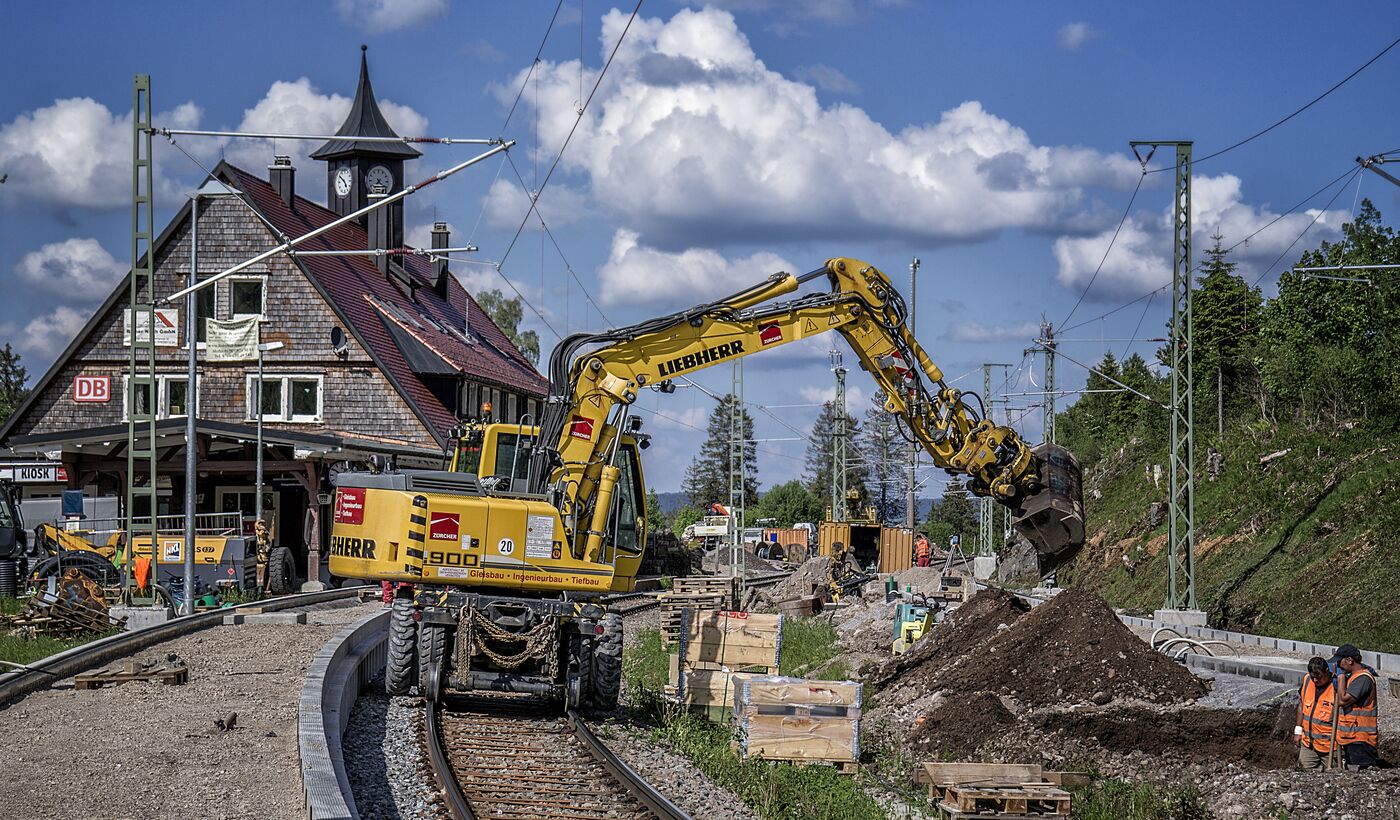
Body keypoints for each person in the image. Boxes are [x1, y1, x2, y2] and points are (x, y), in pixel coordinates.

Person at [1332, 644, 1380, 770]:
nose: (1338, 665)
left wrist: (1341, 677)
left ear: (1350, 660)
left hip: (1361, 740)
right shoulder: (1353, 677)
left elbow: (1342, 700)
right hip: (1351, 736)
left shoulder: (1363, 678)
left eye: (1339, 661)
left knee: (1362, 774)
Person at [1294, 657, 1336, 770]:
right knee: (1302, 771)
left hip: (1330, 747)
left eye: (1319, 677)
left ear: (1327, 671)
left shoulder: (1337, 687)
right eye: (1313, 677)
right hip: (1308, 744)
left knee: (1334, 776)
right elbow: (1302, 704)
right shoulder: (1308, 680)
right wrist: (1298, 731)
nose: (1315, 681)